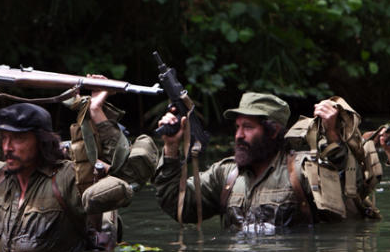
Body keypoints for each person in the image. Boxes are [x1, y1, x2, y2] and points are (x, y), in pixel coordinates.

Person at [0, 63, 140, 252]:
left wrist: (96, 110)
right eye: (4, 138)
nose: (7, 147)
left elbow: (119, 170)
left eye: (18, 139)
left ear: (41, 141)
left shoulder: (67, 179)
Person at [154, 91, 365, 231]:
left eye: (248, 127)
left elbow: (351, 191)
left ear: (272, 132)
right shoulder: (226, 175)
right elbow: (178, 205)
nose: (238, 135)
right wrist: (171, 147)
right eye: (237, 127)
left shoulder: (303, 171)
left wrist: (333, 136)